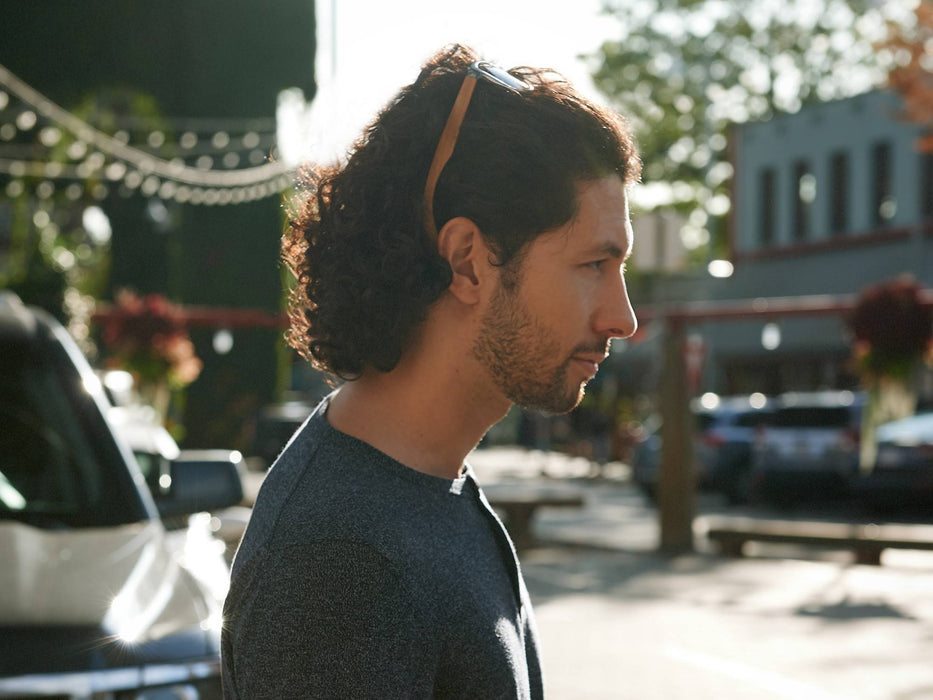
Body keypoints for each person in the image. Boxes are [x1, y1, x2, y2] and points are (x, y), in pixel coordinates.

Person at [221, 44, 640, 698]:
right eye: (593, 265)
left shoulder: (428, 487)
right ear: (468, 261)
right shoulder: (340, 568)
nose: (623, 318)